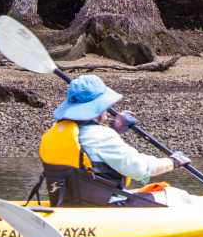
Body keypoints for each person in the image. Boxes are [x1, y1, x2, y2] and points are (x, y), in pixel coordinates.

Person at [37, 75, 192, 207]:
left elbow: (90, 150)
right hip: (102, 207)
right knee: (179, 196)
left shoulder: (54, 132)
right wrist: (173, 162)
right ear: (98, 107)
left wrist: (114, 129)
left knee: (153, 191)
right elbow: (139, 169)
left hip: (67, 202)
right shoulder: (101, 136)